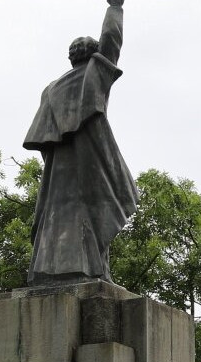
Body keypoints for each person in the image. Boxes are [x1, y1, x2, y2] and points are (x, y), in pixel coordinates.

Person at [24, 0, 138, 285]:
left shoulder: (50, 90)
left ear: (71, 58)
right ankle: (98, 272)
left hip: (58, 171)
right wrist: (115, 7)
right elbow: (111, 41)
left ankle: (58, 272)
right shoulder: (93, 76)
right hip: (89, 165)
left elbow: (45, 140)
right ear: (94, 55)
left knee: (58, 218)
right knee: (94, 213)